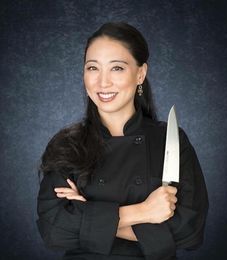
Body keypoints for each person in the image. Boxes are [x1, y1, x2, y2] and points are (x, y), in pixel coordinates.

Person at [36, 22, 209, 260]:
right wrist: (144, 211)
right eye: (93, 68)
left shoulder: (169, 140)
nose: (102, 82)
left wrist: (88, 213)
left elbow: (189, 231)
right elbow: (53, 231)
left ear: (140, 73)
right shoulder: (67, 145)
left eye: (116, 68)